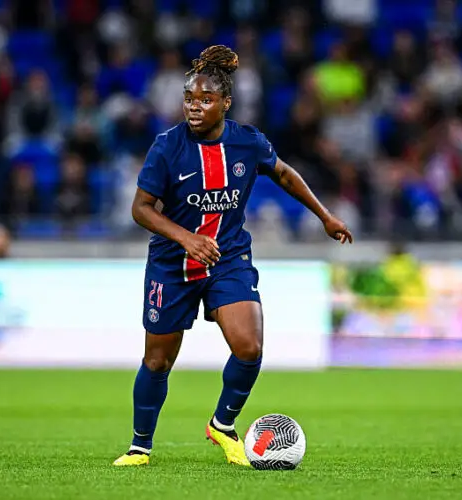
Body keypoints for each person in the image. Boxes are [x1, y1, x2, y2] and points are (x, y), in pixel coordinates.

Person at [113, 45, 353, 467]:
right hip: (173, 263)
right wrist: (186, 238)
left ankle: (222, 425)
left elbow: (283, 173)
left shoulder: (247, 143)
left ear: (226, 103)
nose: (194, 106)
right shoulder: (167, 147)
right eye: (189, 98)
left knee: (249, 346)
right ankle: (140, 446)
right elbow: (141, 209)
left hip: (227, 257)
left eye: (206, 99)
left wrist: (324, 215)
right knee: (158, 359)